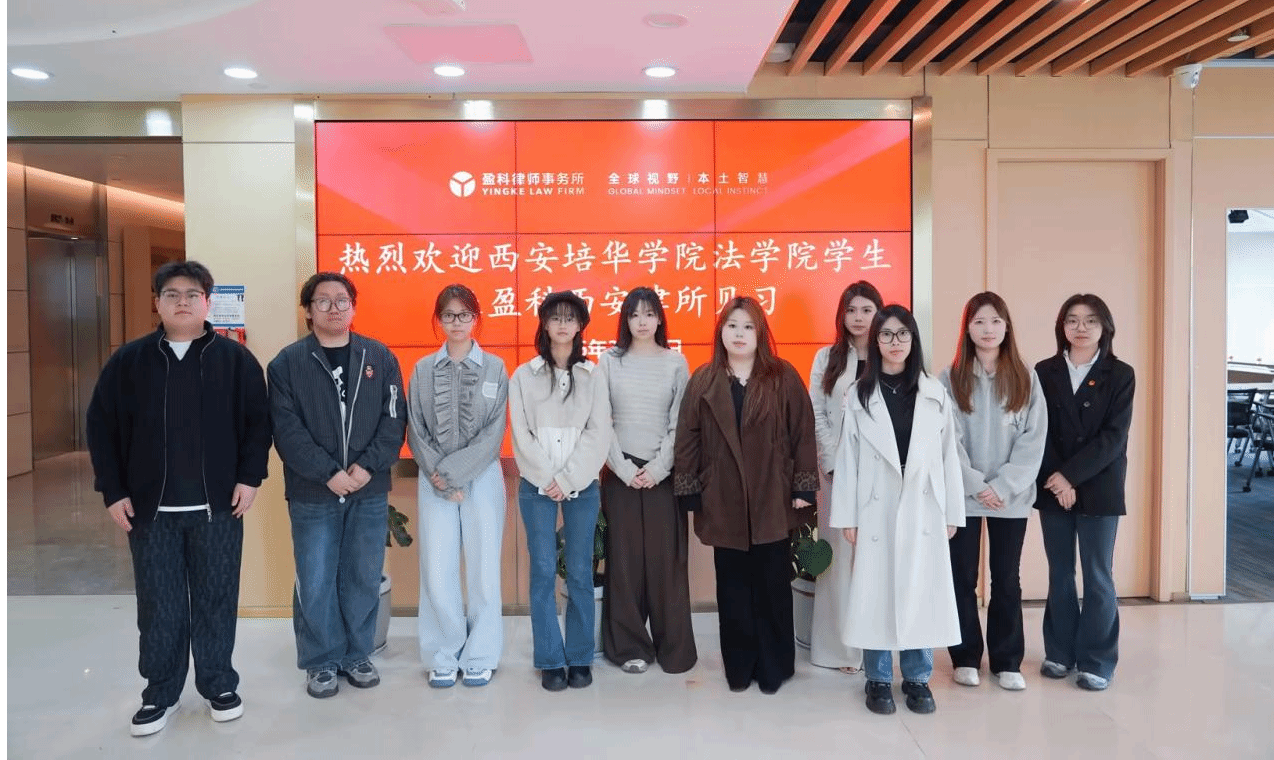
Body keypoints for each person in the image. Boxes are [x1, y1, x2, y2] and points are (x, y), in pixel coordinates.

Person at [86, 260, 270, 736]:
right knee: (159, 606)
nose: (182, 301)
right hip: (150, 512)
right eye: (172, 294)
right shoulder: (130, 361)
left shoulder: (235, 361)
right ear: (157, 303)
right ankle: (160, 692)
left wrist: (250, 478)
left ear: (207, 302)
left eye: (192, 294)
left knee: (216, 600)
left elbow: (258, 424)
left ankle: (218, 684)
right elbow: (101, 428)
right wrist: (113, 490)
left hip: (218, 508)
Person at [267, 272, 406, 699]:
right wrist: (328, 473)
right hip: (313, 490)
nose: (333, 308)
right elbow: (286, 430)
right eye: (323, 301)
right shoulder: (287, 364)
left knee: (362, 575)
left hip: (368, 488)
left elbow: (394, 419)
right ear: (308, 311)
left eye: (341, 300)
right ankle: (321, 660)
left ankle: (357, 654)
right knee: (316, 577)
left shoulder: (379, 357)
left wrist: (365, 468)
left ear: (353, 307)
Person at [674, 296, 818, 695]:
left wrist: (803, 486)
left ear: (761, 333)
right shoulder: (704, 380)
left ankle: (775, 666)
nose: (739, 334)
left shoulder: (783, 376)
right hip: (723, 498)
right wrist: (690, 489)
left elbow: (802, 432)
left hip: (773, 496)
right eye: (732, 326)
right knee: (733, 587)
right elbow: (687, 437)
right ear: (721, 331)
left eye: (748, 326)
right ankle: (738, 666)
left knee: (772, 585)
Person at [829, 304, 964, 716]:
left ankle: (918, 678)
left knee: (920, 589)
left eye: (903, 334)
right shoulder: (860, 394)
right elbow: (847, 458)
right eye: (886, 334)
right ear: (875, 341)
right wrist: (847, 515)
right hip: (876, 505)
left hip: (923, 505)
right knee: (876, 593)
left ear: (913, 340)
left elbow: (949, 456)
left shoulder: (934, 393)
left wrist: (952, 512)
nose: (895, 342)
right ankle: (878, 678)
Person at [939, 292, 1046, 692]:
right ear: (967, 328)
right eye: (979, 321)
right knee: (961, 577)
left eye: (995, 321)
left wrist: (1002, 486)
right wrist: (975, 485)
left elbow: (1034, 439)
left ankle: (1006, 661)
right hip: (964, 495)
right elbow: (946, 440)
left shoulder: (1025, 377)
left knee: (1006, 580)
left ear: (1006, 327)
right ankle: (965, 657)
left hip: (1010, 498)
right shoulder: (948, 378)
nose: (988, 329)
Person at [509, 291, 613, 692]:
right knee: (541, 571)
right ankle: (550, 659)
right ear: (545, 324)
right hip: (535, 487)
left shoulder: (593, 375)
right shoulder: (524, 375)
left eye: (571, 318)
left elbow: (598, 433)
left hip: (582, 486)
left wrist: (568, 479)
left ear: (581, 325)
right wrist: (546, 477)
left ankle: (580, 657)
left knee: (581, 571)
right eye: (556, 317)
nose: (563, 324)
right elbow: (521, 434)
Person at [406, 284, 509, 689]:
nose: (456, 322)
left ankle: (481, 654)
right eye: (448, 315)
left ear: (476, 319)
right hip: (433, 480)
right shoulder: (422, 370)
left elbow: (494, 432)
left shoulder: (496, 368)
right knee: (437, 568)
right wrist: (441, 476)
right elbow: (416, 429)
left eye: (464, 315)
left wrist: (454, 474)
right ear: (438, 320)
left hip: (482, 479)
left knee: (484, 569)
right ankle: (443, 653)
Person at [1034, 293, 1135, 692]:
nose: (1081, 328)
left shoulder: (1120, 373)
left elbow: (1114, 437)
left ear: (1104, 327)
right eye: (1072, 320)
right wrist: (1057, 478)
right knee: (1060, 573)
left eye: (1091, 320)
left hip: (1099, 485)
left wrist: (1071, 478)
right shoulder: (1044, 371)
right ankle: (1059, 652)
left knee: (1097, 575)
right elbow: (1037, 431)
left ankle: (1097, 660)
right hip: (1052, 484)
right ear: (1061, 326)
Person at [598, 287, 696, 676]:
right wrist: (623, 468)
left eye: (649, 313)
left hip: (663, 475)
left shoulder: (675, 362)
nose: (642, 321)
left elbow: (681, 423)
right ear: (625, 319)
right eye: (635, 314)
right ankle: (630, 647)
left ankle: (674, 648)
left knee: (666, 563)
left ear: (660, 319)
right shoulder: (609, 361)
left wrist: (658, 469)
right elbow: (600, 420)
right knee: (624, 564)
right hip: (619, 472)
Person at [808, 280, 882, 674]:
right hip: (836, 473)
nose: (858, 317)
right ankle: (838, 650)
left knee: (875, 559)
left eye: (866, 310)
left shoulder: (891, 354)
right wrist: (832, 460)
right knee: (837, 560)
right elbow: (817, 412)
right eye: (851, 310)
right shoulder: (827, 357)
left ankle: (874, 647)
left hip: (882, 476)